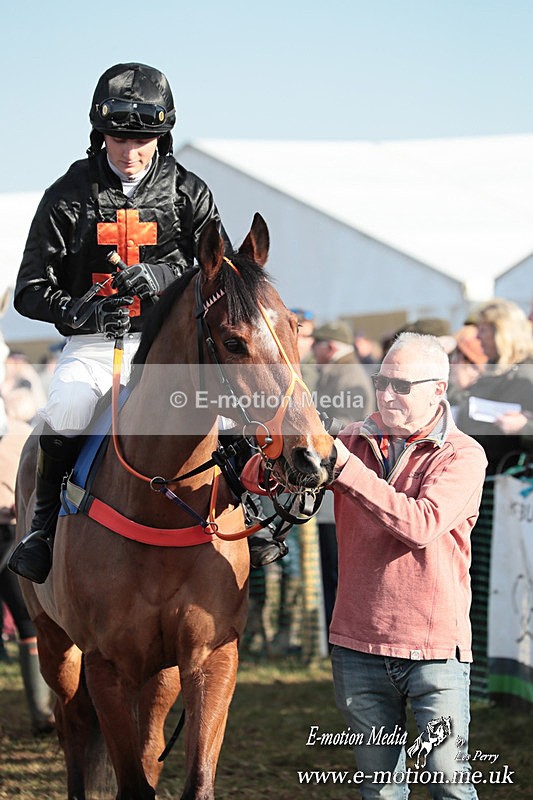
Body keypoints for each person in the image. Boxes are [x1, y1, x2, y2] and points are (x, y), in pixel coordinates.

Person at [8, 62, 283, 585]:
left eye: (144, 138)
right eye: (119, 137)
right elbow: (29, 290)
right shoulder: (67, 195)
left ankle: (250, 514)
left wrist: (162, 272)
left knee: (228, 411)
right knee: (65, 406)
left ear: (163, 135)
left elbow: (221, 271)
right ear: (99, 133)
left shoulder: (188, 191)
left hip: (171, 344)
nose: (131, 151)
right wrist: (80, 310)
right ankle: (42, 530)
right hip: (95, 343)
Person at [241, 333, 487, 797]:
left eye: (401, 384)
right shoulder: (351, 438)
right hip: (359, 647)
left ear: (438, 389)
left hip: (433, 651)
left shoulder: (463, 454)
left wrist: (343, 466)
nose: (387, 393)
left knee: (450, 787)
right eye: (382, 380)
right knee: (380, 790)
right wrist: (264, 462)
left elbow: (420, 524)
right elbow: (273, 482)